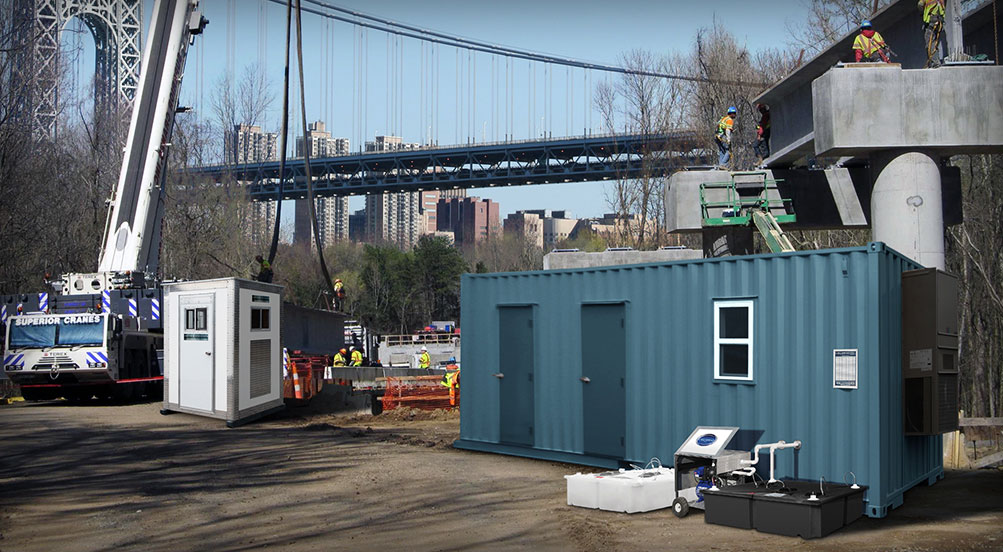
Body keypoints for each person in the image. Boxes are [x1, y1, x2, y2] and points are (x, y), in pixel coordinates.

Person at [918, 0, 946, 67]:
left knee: (930, 43)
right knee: (934, 42)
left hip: (931, 21)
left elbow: (920, 4)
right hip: (939, 21)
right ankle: (933, 61)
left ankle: (935, 62)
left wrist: (922, 12)